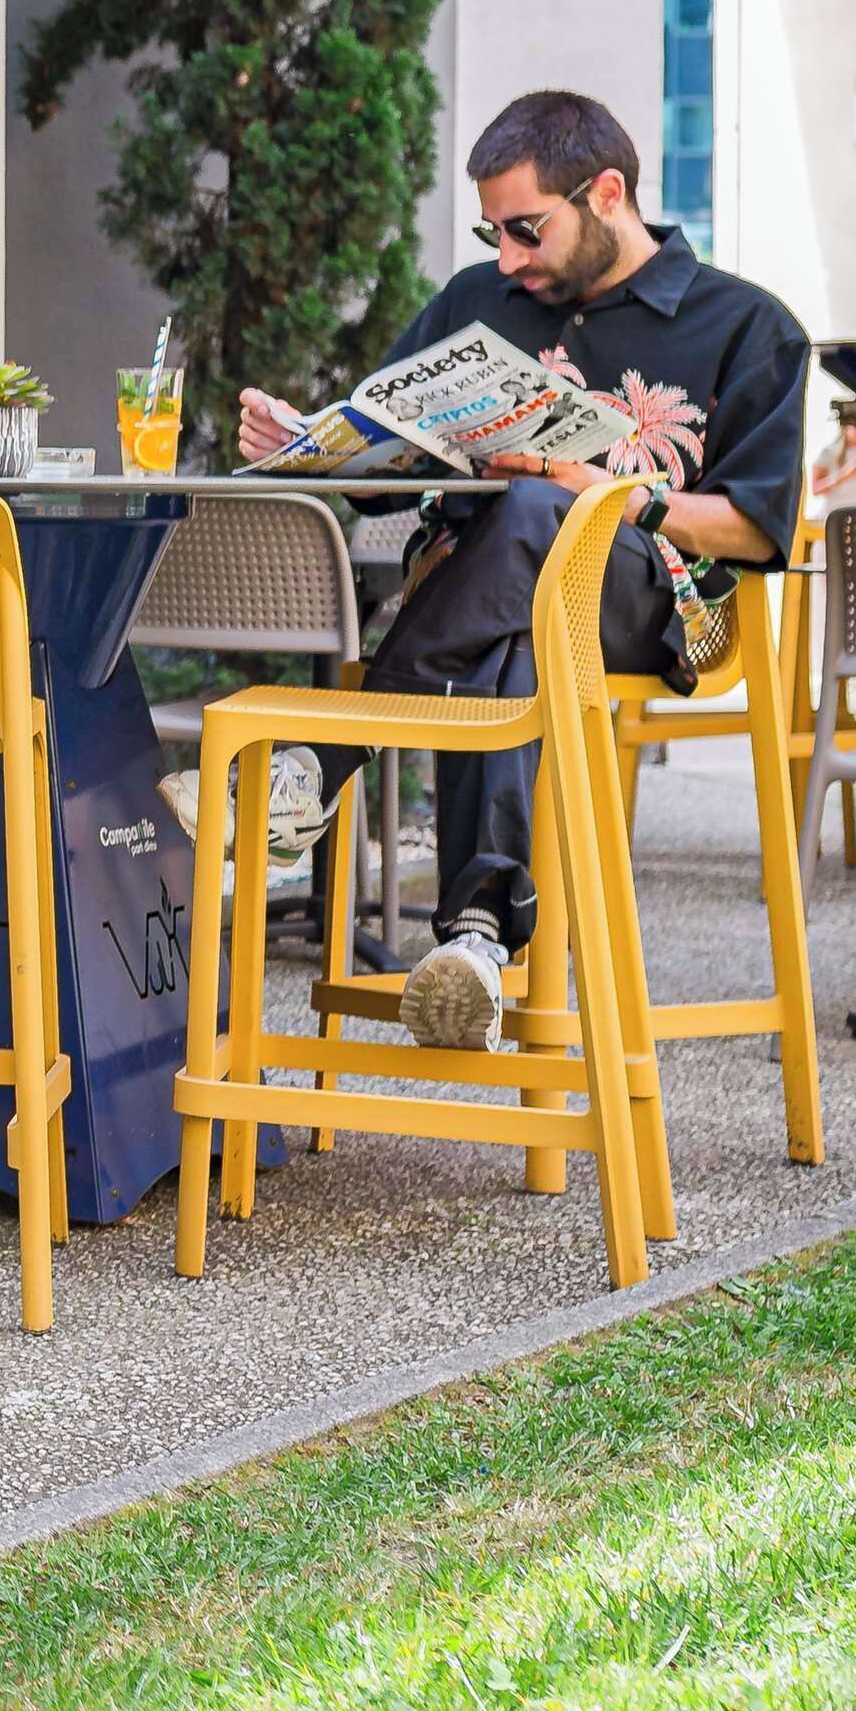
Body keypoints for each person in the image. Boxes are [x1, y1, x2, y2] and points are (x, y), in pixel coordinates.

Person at [215, 91, 805, 1051]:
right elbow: (381, 474)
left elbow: (750, 527)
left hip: (647, 598)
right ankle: (479, 946)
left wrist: (605, 492)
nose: (506, 260)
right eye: (492, 233)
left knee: (538, 511)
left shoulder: (743, 325)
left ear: (606, 192)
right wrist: (311, 446)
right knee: (516, 640)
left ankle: (318, 767)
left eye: (526, 230)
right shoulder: (475, 304)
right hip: (483, 608)